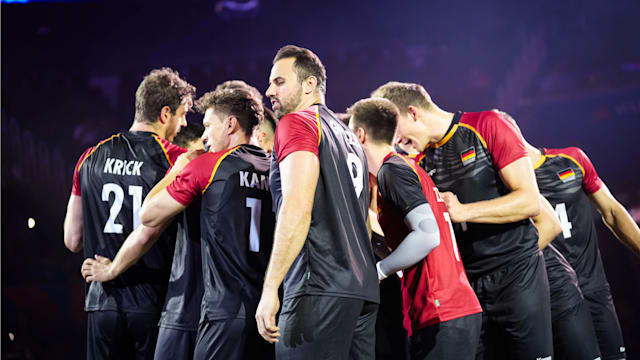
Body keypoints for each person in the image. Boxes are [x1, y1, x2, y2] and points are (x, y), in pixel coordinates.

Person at [372, 82, 552, 359]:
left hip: (516, 276)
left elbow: (529, 201)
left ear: (412, 113)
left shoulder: (487, 124)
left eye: (396, 131)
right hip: (467, 287)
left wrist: (464, 210)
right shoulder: (416, 163)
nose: (396, 142)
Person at [255, 45, 379, 359]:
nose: (269, 90)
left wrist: (271, 288)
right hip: (360, 289)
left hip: (319, 286)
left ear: (309, 84)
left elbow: (297, 206)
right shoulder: (349, 136)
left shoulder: (298, 123)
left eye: (279, 82)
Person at [64, 67, 195, 360]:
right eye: (182, 114)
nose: (184, 123)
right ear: (164, 114)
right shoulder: (175, 159)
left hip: (101, 303)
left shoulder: (89, 157)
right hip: (154, 302)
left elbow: (72, 240)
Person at [348, 97, 482, 360]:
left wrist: (378, 271)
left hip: (441, 308)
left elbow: (427, 235)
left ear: (359, 135)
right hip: (453, 308)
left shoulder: (392, 171)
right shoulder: (408, 168)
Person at [519, 121, 639, 360]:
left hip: (594, 289)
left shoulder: (571, 159)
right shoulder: (501, 184)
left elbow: (613, 212)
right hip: (553, 300)